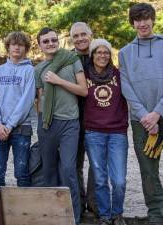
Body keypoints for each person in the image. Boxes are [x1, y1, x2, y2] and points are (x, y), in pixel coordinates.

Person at [35, 27, 88, 225]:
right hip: (47, 124)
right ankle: (53, 214)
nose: (50, 44)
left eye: (53, 40)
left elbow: (83, 91)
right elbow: (40, 99)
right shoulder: (38, 69)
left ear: (58, 41)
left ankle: (73, 216)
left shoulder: (71, 60)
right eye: (46, 41)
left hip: (70, 124)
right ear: (40, 45)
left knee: (68, 169)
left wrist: (58, 81)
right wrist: (42, 122)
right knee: (48, 171)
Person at [119, 3, 163, 225]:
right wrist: (146, 116)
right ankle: (157, 215)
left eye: (146, 18)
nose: (142, 23)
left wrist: (157, 113)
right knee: (148, 171)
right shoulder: (125, 53)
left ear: (153, 19)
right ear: (133, 23)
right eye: (138, 19)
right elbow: (125, 86)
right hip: (141, 122)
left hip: (159, 115)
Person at [85, 39, 128, 225]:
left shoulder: (119, 75)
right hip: (93, 132)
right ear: (92, 55)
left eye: (106, 52)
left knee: (118, 180)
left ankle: (117, 214)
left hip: (117, 132)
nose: (102, 55)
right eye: (98, 52)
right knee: (100, 179)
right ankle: (104, 216)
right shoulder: (83, 75)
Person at [0, 31, 35, 187]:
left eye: (21, 45)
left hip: (21, 128)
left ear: (26, 48)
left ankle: (24, 210)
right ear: (8, 47)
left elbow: (27, 101)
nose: (17, 47)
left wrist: (9, 125)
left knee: (22, 173)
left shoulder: (29, 71)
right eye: (13, 44)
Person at [70, 21, 97, 216]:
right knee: (75, 163)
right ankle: (78, 203)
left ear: (90, 35)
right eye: (76, 36)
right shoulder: (68, 59)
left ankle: (94, 203)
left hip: (98, 118)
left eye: (83, 34)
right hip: (75, 118)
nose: (80, 38)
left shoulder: (100, 54)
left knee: (96, 164)